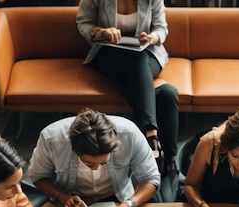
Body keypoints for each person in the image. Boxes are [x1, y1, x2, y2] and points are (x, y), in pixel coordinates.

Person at [76, 0, 179, 175]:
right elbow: (83, 24)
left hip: (147, 54)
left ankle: (148, 141)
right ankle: (164, 151)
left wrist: (150, 38)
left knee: (139, 62)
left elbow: (162, 29)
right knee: (167, 94)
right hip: (109, 54)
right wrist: (101, 31)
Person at [28, 108, 160, 207]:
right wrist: (61, 197)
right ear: (74, 149)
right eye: (89, 163)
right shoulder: (51, 139)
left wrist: (127, 205)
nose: (95, 169)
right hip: (70, 201)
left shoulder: (130, 134)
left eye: (103, 163)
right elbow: (38, 177)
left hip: (119, 199)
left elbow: (152, 178)